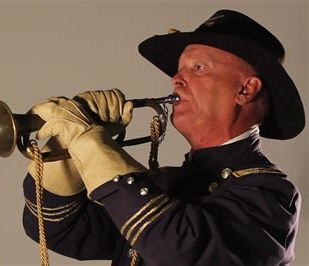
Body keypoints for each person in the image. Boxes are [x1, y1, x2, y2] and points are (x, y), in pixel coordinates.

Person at [21, 9, 305, 265]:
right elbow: (59, 230)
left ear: (246, 90)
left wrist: (91, 142)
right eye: (179, 69)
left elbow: (179, 248)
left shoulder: (271, 195)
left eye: (198, 68)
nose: (176, 80)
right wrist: (66, 147)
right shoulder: (167, 183)